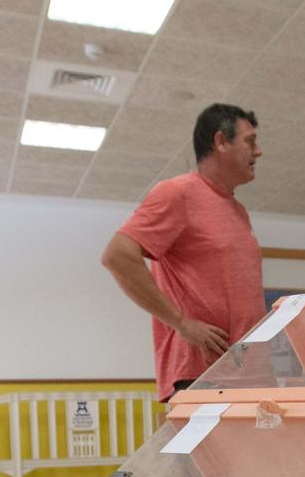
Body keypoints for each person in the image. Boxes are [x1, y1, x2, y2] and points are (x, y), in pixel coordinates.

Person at [100, 103, 266, 401]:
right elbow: (117, 256)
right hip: (200, 375)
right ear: (221, 142)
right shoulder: (177, 192)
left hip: (245, 375)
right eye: (250, 141)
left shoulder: (238, 211)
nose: (258, 152)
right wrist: (180, 323)